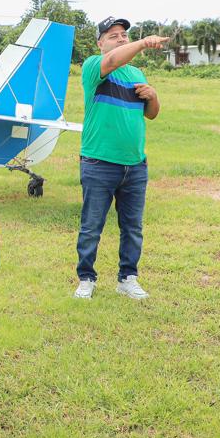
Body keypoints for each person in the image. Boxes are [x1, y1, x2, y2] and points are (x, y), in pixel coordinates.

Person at [74, 17, 168, 300]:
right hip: (99, 163)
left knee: (132, 227)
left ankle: (128, 278)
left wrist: (152, 96)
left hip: (135, 165)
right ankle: (86, 279)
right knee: (92, 227)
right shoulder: (94, 66)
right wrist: (142, 42)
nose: (121, 39)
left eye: (124, 35)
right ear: (100, 43)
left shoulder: (137, 74)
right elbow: (113, 60)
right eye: (113, 35)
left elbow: (150, 114)